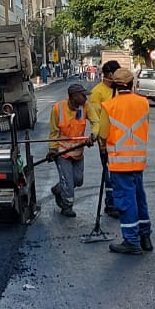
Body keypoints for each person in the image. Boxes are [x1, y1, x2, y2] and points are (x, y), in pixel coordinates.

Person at [97, 66, 153, 255]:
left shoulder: (110, 106)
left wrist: (101, 143)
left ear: (114, 85)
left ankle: (131, 241)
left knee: (126, 200)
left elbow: (103, 133)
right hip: (138, 160)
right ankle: (145, 236)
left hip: (120, 162)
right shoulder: (143, 102)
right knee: (139, 197)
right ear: (132, 84)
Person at [47, 81, 99, 217]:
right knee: (69, 183)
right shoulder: (57, 109)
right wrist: (53, 149)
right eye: (83, 95)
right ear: (74, 96)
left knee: (77, 180)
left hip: (78, 151)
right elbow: (53, 131)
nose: (86, 98)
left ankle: (59, 189)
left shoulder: (85, 107)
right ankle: (67, 206)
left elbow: (96, 121)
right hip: (62, 152)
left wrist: (93, 135)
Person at [89, 60, 121, 217]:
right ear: (109, 75)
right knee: (108, 174)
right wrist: (101, 141)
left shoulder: (119, 90)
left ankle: (118, 202)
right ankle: (110, 204)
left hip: (121, 139)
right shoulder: (97, 92)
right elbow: (96, 118)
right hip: (106, 140)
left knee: (119, 174)